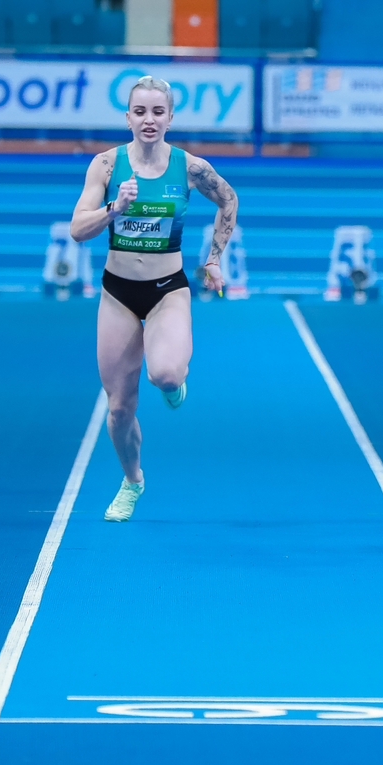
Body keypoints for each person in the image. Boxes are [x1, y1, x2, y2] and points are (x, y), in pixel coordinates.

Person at [69, 76, 239, 523]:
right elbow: (77, 230)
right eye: (140, 112)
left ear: (170, 118)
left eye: (157, 112)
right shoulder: (107, 166)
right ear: (127, 118)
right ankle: (133, 481)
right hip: (118, 293)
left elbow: (229, 200)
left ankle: (174, 381)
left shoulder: (190, 168)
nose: (149, 120)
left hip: (167, 289)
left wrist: (214, 259)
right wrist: (115, 209)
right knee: (120, 407)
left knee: (164, 375)